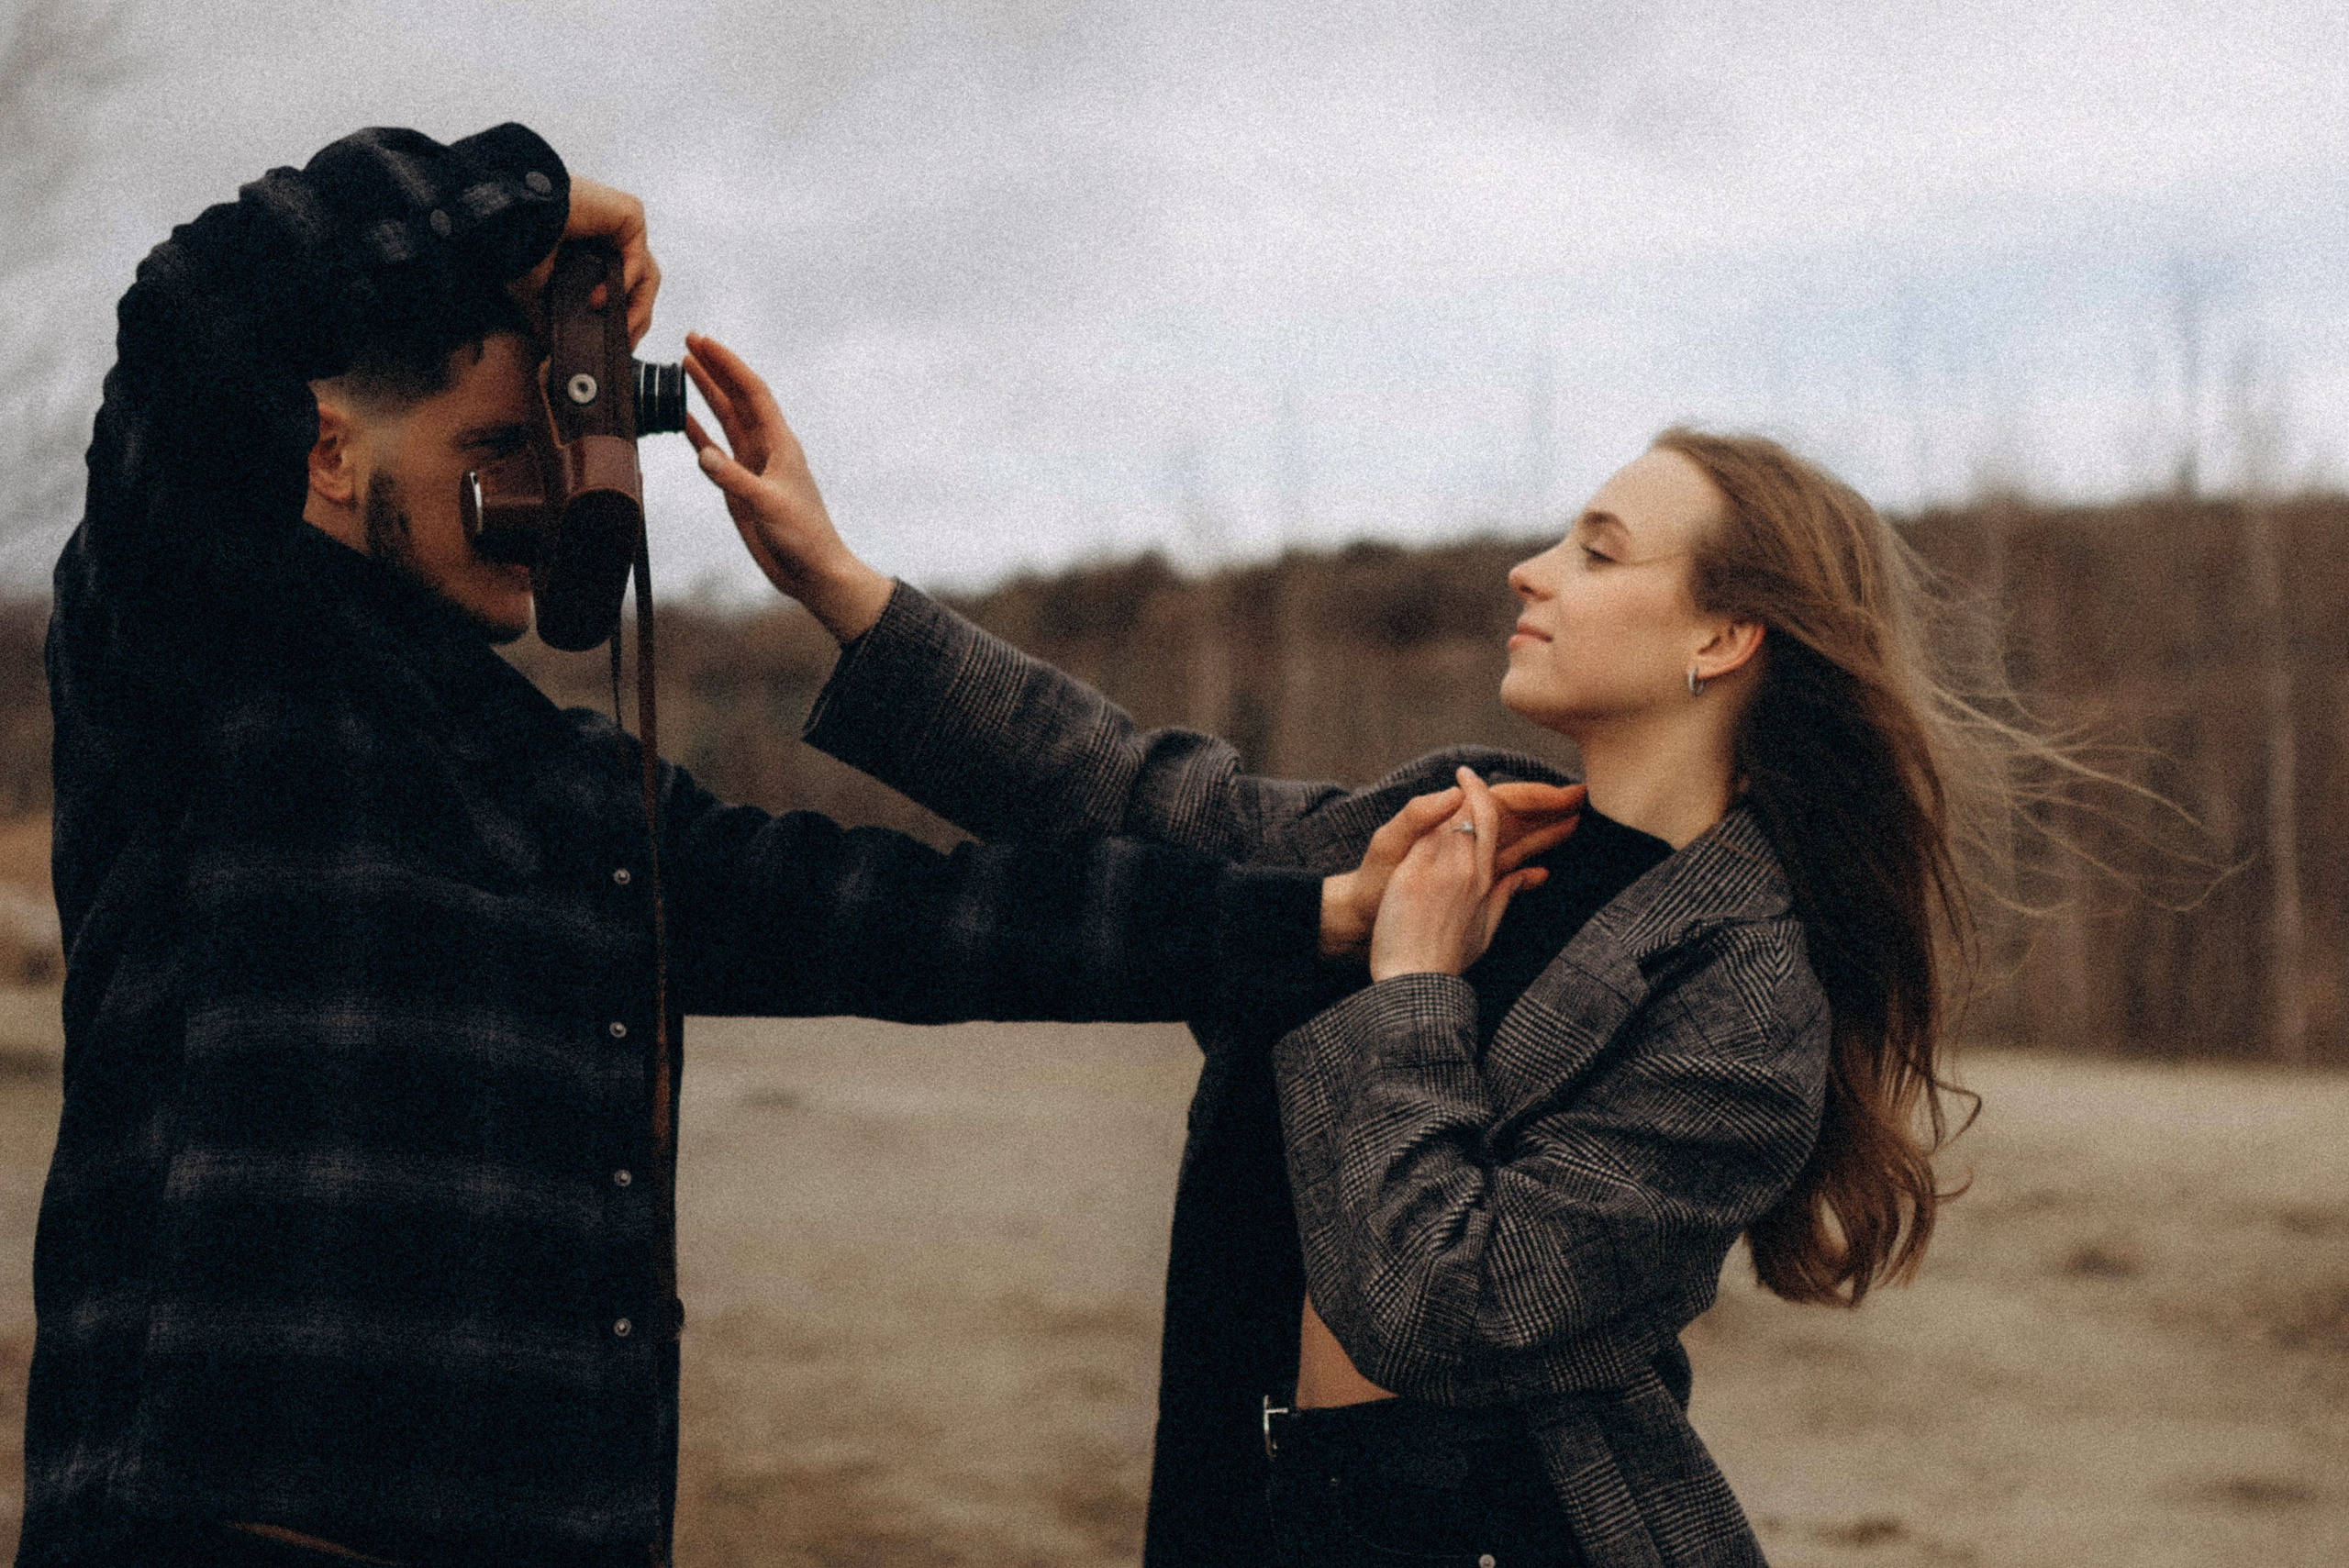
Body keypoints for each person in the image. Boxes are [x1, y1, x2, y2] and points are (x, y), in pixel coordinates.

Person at [25, 125, 1530, 1568]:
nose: (540, 498)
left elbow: (912, 912)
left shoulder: (557, 779)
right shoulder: (196, 655)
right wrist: (540, 206)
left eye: (557, 450)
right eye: (495, 444)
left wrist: (1320, 916)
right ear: (328, 455)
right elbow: (199, 298)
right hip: (222, 1534)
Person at [684, 336, 1982, 1567]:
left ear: (1721, 636)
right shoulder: (1457, 826)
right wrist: (837, 581)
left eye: (1598, 553)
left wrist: (1408, 987)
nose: (1531, 571)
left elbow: (1443, 1302)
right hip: (1239, 1503)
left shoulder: (1742, 996)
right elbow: (1142, 801)